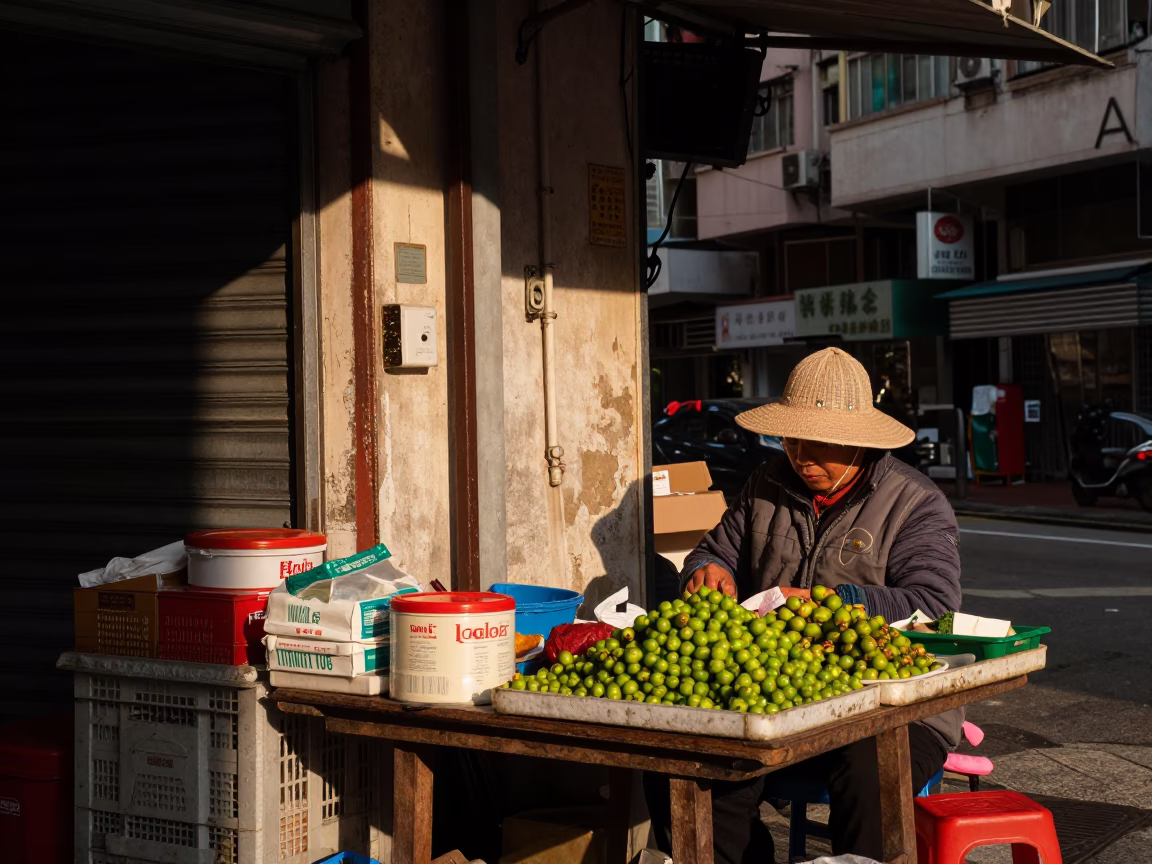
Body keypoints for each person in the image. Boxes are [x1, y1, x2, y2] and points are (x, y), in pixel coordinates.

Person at [644, 346, 962, 864]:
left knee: (870, 767)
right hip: (783, 697)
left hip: (893, 705)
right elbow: (713, 549)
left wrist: (832, 603)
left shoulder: (915, 503)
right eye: (792, 439)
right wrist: (709, 570)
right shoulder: (765, 484)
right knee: (690, 765)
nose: (801, 455)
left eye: (818, 443)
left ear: (858, 441)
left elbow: (932, 603)